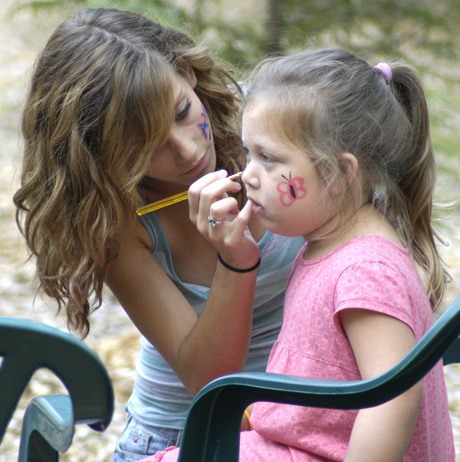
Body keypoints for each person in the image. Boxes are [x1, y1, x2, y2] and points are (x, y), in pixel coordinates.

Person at [13, 7, 305, 461]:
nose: (189, 150)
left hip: (310, 419)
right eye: (144, 147)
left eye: (184, 112)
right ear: (101, 153)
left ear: (187, 72)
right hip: (182, 436)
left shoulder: (272, 124)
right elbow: (210, 376)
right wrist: (234, 260)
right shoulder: (116, 220)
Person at [148, 48, 455, 461]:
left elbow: (393, 398)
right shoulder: (327, 244)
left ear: (340, 173)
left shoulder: (366, 270)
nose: (246, 175)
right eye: (248, 153)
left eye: (269, 159)